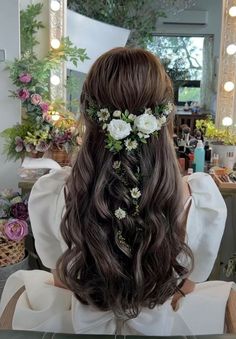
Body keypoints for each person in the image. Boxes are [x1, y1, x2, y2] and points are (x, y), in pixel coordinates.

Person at [0, 47, 233, 335]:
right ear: (162, 118)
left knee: (23, 287)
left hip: (81, 328)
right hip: (162, 329)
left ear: (89, 114)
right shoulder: (199, 200)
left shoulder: (54, 193)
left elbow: (61, 280)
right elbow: (187, 286)